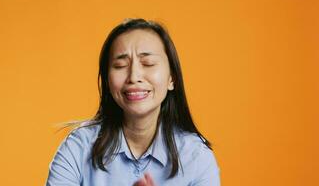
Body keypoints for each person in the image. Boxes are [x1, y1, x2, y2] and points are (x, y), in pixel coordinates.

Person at [46, 18, 220, 186]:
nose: (134, 77)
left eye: (148, 63)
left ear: (172, 79)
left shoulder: (196, 156)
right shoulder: (78, 148)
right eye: (120, 65)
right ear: (107, 80)